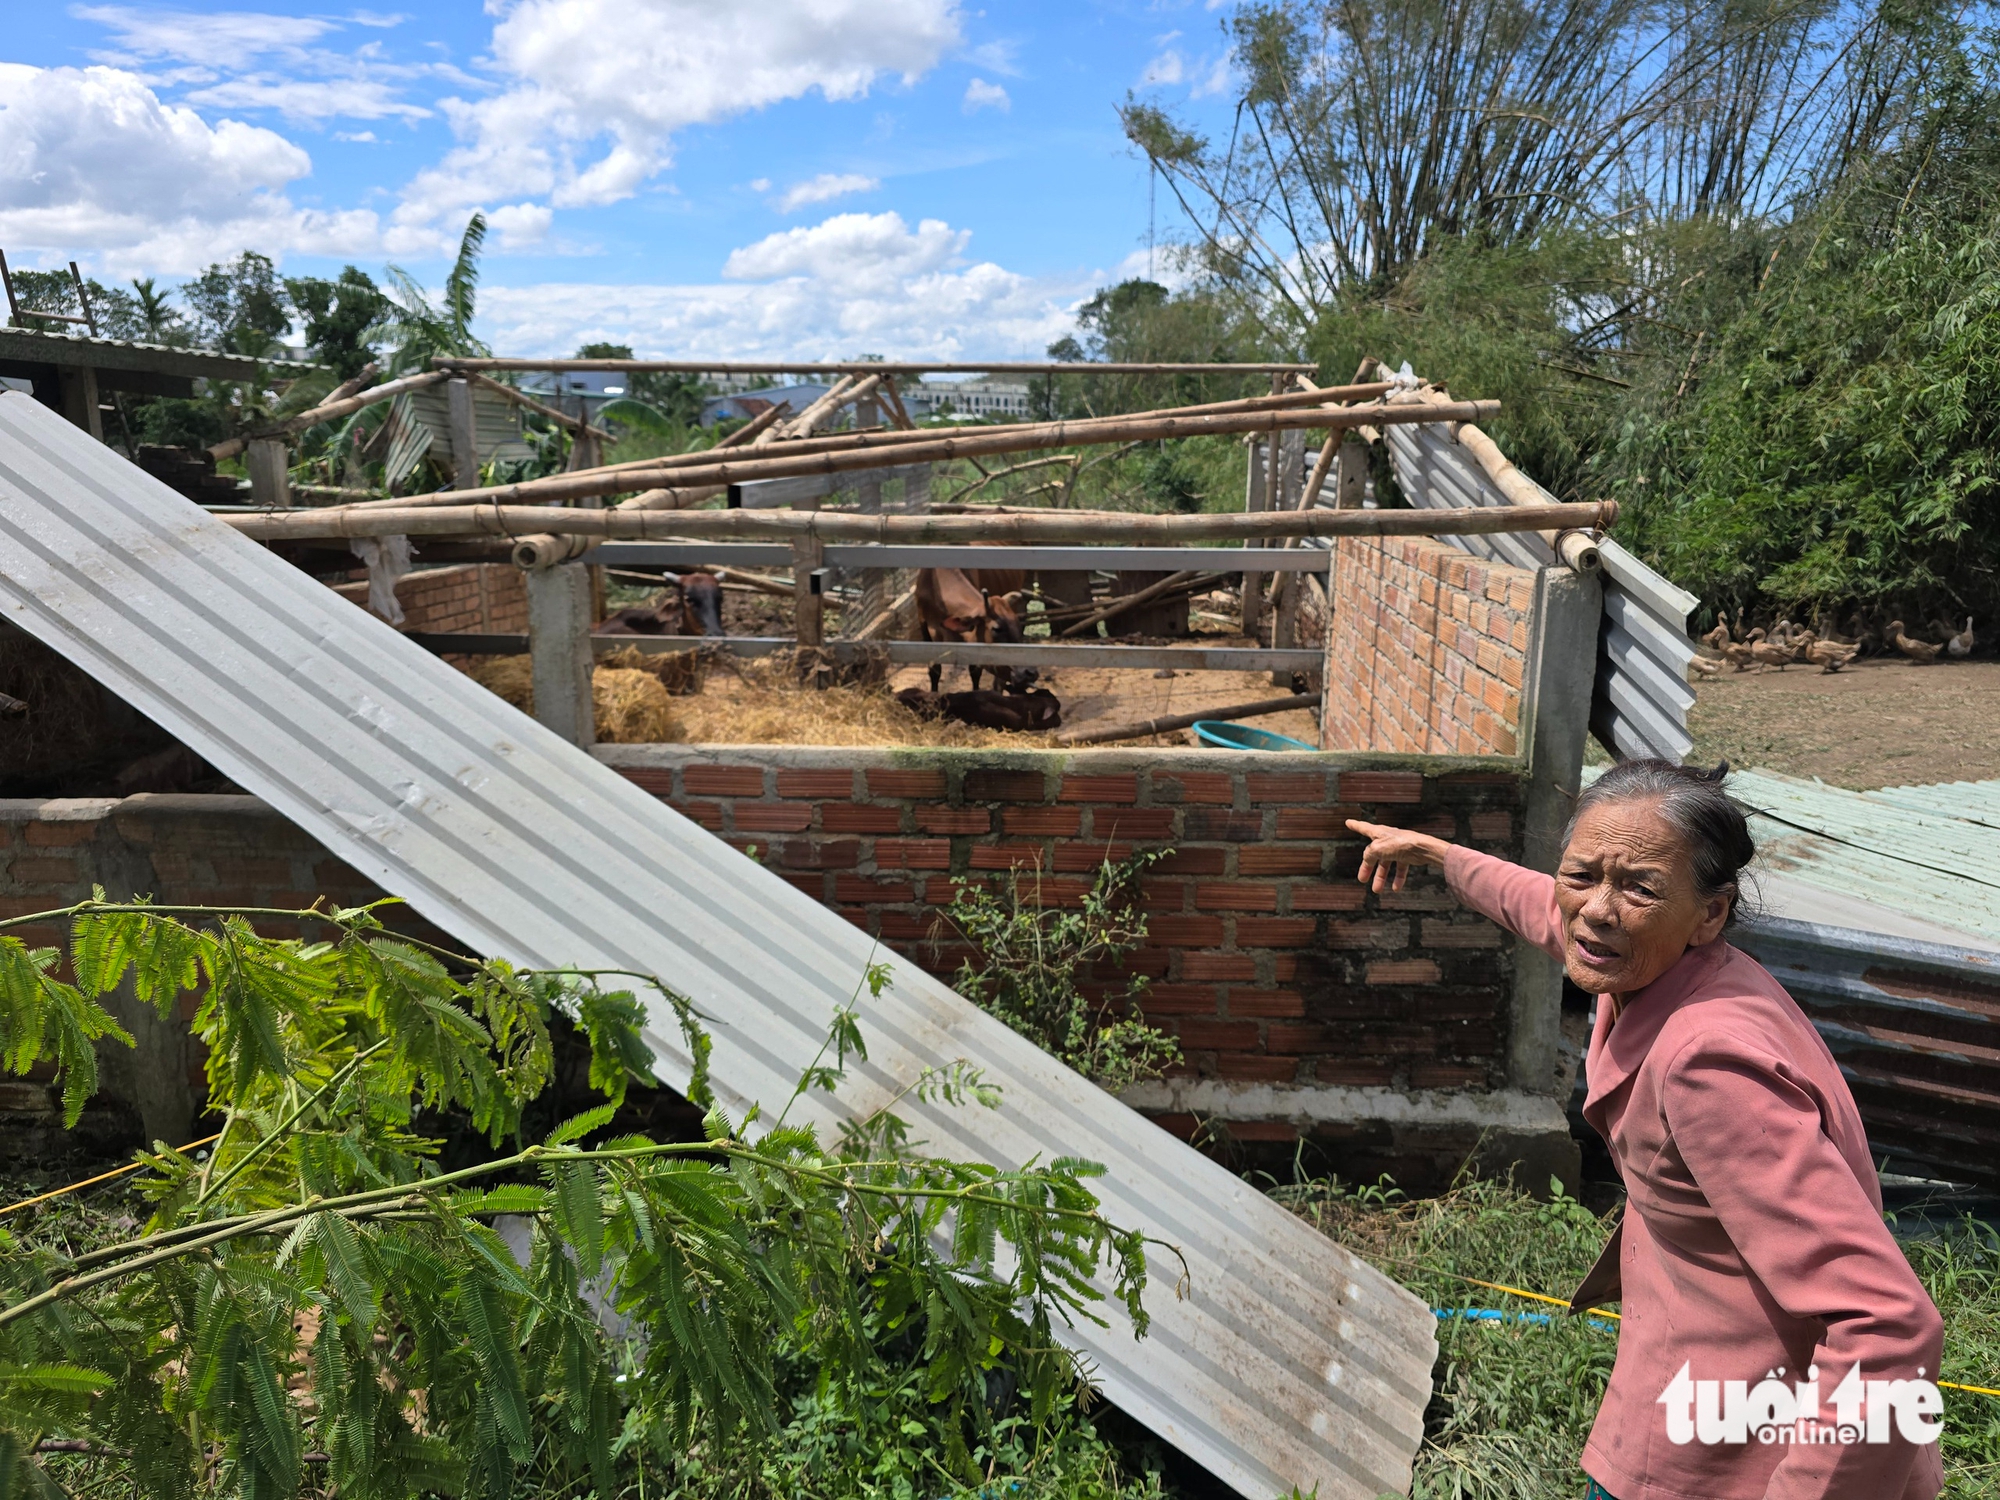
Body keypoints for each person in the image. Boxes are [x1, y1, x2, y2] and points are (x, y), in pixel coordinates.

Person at [1348, 759, 1944, 1500]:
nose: (1597, 910)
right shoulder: (1653, 961)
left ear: (1711, 913)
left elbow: (1888, 1324)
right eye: (1582, 874)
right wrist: (1440, 856)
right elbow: (1549, 909)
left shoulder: (1709, 1065)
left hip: (1740, 1453)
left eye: (1639, 887)